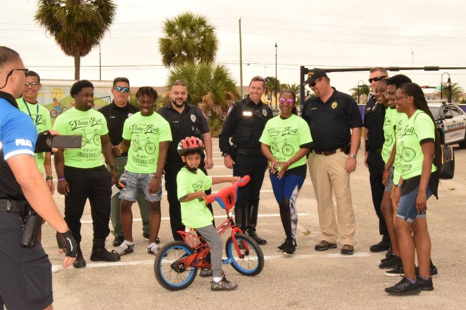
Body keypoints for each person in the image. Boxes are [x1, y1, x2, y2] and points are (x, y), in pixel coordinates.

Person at [0, 46, 76, 310]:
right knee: (36, 303)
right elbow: (29, 180)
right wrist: (63, 229)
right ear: (12, 75)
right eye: (22, 70)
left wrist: (36, 142)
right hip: (6, 224)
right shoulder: (14, 117)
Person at [53, 79, 120, 268]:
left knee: (102, 213)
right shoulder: (64, 119)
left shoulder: (98, 117)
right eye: (86, 95)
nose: (90, 98)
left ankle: (99, 250)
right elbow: (59, 152)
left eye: (91, 94)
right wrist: (61, 178)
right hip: (75, 173)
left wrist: (112, 169)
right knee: (73, 215)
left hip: (98, 171)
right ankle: (76, 253)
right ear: (75, 97)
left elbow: (106, 143)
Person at [384, 82, 440, 295]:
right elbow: (402, 157)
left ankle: (410, 279)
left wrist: (422, 191)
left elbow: (428, 157)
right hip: (408, 178)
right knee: (419, 227)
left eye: (398, 98)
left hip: (421, 179)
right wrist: (397, 184)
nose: (394, 101)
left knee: (400, 226)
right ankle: (425, 278)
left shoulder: (422, 119)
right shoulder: (406, 121)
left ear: (410, 99)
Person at [301, 68, 363, 255]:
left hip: (339, 156)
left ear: (324, 81)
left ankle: (347, 240)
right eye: (309, 85)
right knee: (323, 199)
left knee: (343, 198)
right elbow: (302, 128)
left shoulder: (345, 100)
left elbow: (356, 128)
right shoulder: (309, 103)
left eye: (313, 84)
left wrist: (352, 156)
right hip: (315, 157)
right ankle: (328, 237)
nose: (311, 88)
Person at [112, 87, 171, 256]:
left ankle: (152, 244)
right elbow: (125, 144)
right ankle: (128, 242)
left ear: (154, 102)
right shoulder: (131, 121)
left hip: (151, 173)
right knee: (124, 204)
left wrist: (157, 177)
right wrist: (118, 149)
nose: (145, 105)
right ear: (137, 101)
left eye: (149, 102)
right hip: (130, 171)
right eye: (142, 101)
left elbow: (163, 152)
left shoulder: (161, 123)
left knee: (154, 208)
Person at [176, 136, 239, 291]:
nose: (194, 161)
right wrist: (199, 194)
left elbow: (209, 181)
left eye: (197, 158)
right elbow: (182, 197)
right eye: (190, 158)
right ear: (183, 158)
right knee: (216, 243)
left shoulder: (198, 172)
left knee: (205, 244)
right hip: (195, 216)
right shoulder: (182, 175)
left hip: (201, 214)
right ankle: (217, 280)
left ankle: (207, 266)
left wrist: (230, 179)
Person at [219, 76, 273, 245]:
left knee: (254, 195)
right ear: (248, 88)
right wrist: (226, 155)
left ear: (263, 90)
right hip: (242, 158)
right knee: (242, 196)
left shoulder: (267, 111)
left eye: (259, 88)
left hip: (260, 159)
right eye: (253, 88)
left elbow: (270, 137)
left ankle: (252, 230)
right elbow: (225, 133)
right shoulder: (237, 107)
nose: (256, 91)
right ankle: (240, 232)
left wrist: (269, 160)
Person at [157, 80, 213, 242]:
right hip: (173, 166)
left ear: (186, 94)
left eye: (182, 93)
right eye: (176, 93)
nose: (179, 96)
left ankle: (206, 238)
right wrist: (160, 164)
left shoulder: (196, 112)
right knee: (176, 203)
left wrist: (208, 157)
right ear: (170, 94)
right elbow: (156, 141)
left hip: (197, 165)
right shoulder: (162, 114)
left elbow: (206, 134)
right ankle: (181, 241)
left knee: (204, 200)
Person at [98, 77, 151, 247]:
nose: (122, 92)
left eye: (125, 89)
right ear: (112, 91)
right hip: (116, 162)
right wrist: (110, 160)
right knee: (117, 196)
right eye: (119, 89)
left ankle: (149, 229)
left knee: (144, 194)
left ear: (129, 92)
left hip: (138, 160)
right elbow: (101, 140)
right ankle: (119, 233)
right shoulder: (103, 113)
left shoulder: (137, 111)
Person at [259, 90, 312, 255]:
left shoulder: (300, 123)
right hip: (276, 170)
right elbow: (264, 145)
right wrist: (273, 160)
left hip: (295, 169)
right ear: (278, 102)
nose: (285, 103)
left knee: (288, 201)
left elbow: (306, 147)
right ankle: (288, 237)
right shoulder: (271, 123)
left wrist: (288, 163)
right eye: (282, 100)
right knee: (282, 203)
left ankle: (292, 240)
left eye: (289, 101)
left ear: (293, 104)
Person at [378, 74, 411, 271]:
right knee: (386, 208)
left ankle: (404, 257)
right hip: (393, 166)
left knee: (405, 218)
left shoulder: (404, 112)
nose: (388, 97)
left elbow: (400, 144)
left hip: (403, 169)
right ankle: (396, 251)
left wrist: (388, 168)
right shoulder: (391, 110)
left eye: (392, 93)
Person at [363, 68, 391, 253]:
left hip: (388, 157)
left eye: (377, 79)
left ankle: (394, 239)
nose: (373, 83)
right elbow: (368, 128)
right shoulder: (372, 101)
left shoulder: (391, 101)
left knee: (390, 201)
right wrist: (365, 151)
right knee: (378, 199)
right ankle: (386, 237)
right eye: (371, 80)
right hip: (373, 156)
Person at [17, 70, 54, 194]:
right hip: (16, 169)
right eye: (26, 84)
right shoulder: (14, 106)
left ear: (39, 86)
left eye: (33, 83)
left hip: (37, 171)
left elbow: (47, 146)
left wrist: (49, 177)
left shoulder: (44, 112)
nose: (30, 87)